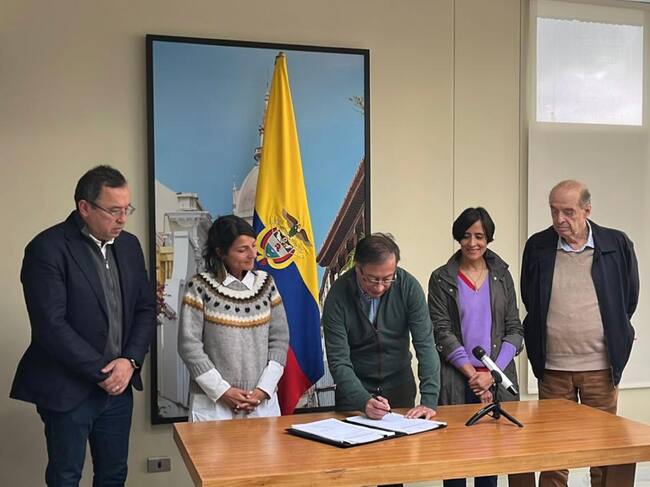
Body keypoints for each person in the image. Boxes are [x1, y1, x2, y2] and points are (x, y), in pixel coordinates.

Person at [10, 165, 156, 486]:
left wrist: (130, 361)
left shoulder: (129, 245)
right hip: (68, 388)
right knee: (65, 477)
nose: (122, 219)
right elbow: (51, 326)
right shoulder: (47, 248)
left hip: (119, 388)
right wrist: (104, 373)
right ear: (85, 207)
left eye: (126, 209)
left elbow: (145, 309)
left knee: (114, 475)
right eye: (114, 211)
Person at [521, 180, 639, 487]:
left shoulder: (616, 244)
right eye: (554, 211)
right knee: (554, 454)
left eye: (568, 212)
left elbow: (628, 299)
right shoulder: (538, 246)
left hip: (600, 368)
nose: (560, 219)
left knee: (604, 452)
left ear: (587, 210)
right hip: (553, 369)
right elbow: (530, 298)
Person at [428, 207, 523, 487]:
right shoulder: (441, 278)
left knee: (489, 464)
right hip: (457, 379)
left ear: (488, 238)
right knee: (454, 463)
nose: (472, 243)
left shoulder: (502, 275)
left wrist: (492, 375)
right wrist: (474, 376)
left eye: (479, 236)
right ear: (458, 237)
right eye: (466, 235)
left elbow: (515, 330)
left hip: (495, 380)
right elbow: (442, 332)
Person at [178, 215, 289, 421]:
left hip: (261, 403)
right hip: (213, 404)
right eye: (242, 249)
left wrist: (263, 390)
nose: (252, 254)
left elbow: (279, 340)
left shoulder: (266, 284)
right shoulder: (199, 286)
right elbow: (189, 345)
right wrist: (223, 391)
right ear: (221, 252)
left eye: (253, 246)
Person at [322, 233, 440, 421]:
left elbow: (425, 345)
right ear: (358, 268)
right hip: (354, 393)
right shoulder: (338, 295)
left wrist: (429, 400)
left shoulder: (408, 287)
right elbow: (338, 360)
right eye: (372, 279)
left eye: (387, 279)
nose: (379, 287)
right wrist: (363, 400)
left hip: (400, 388)